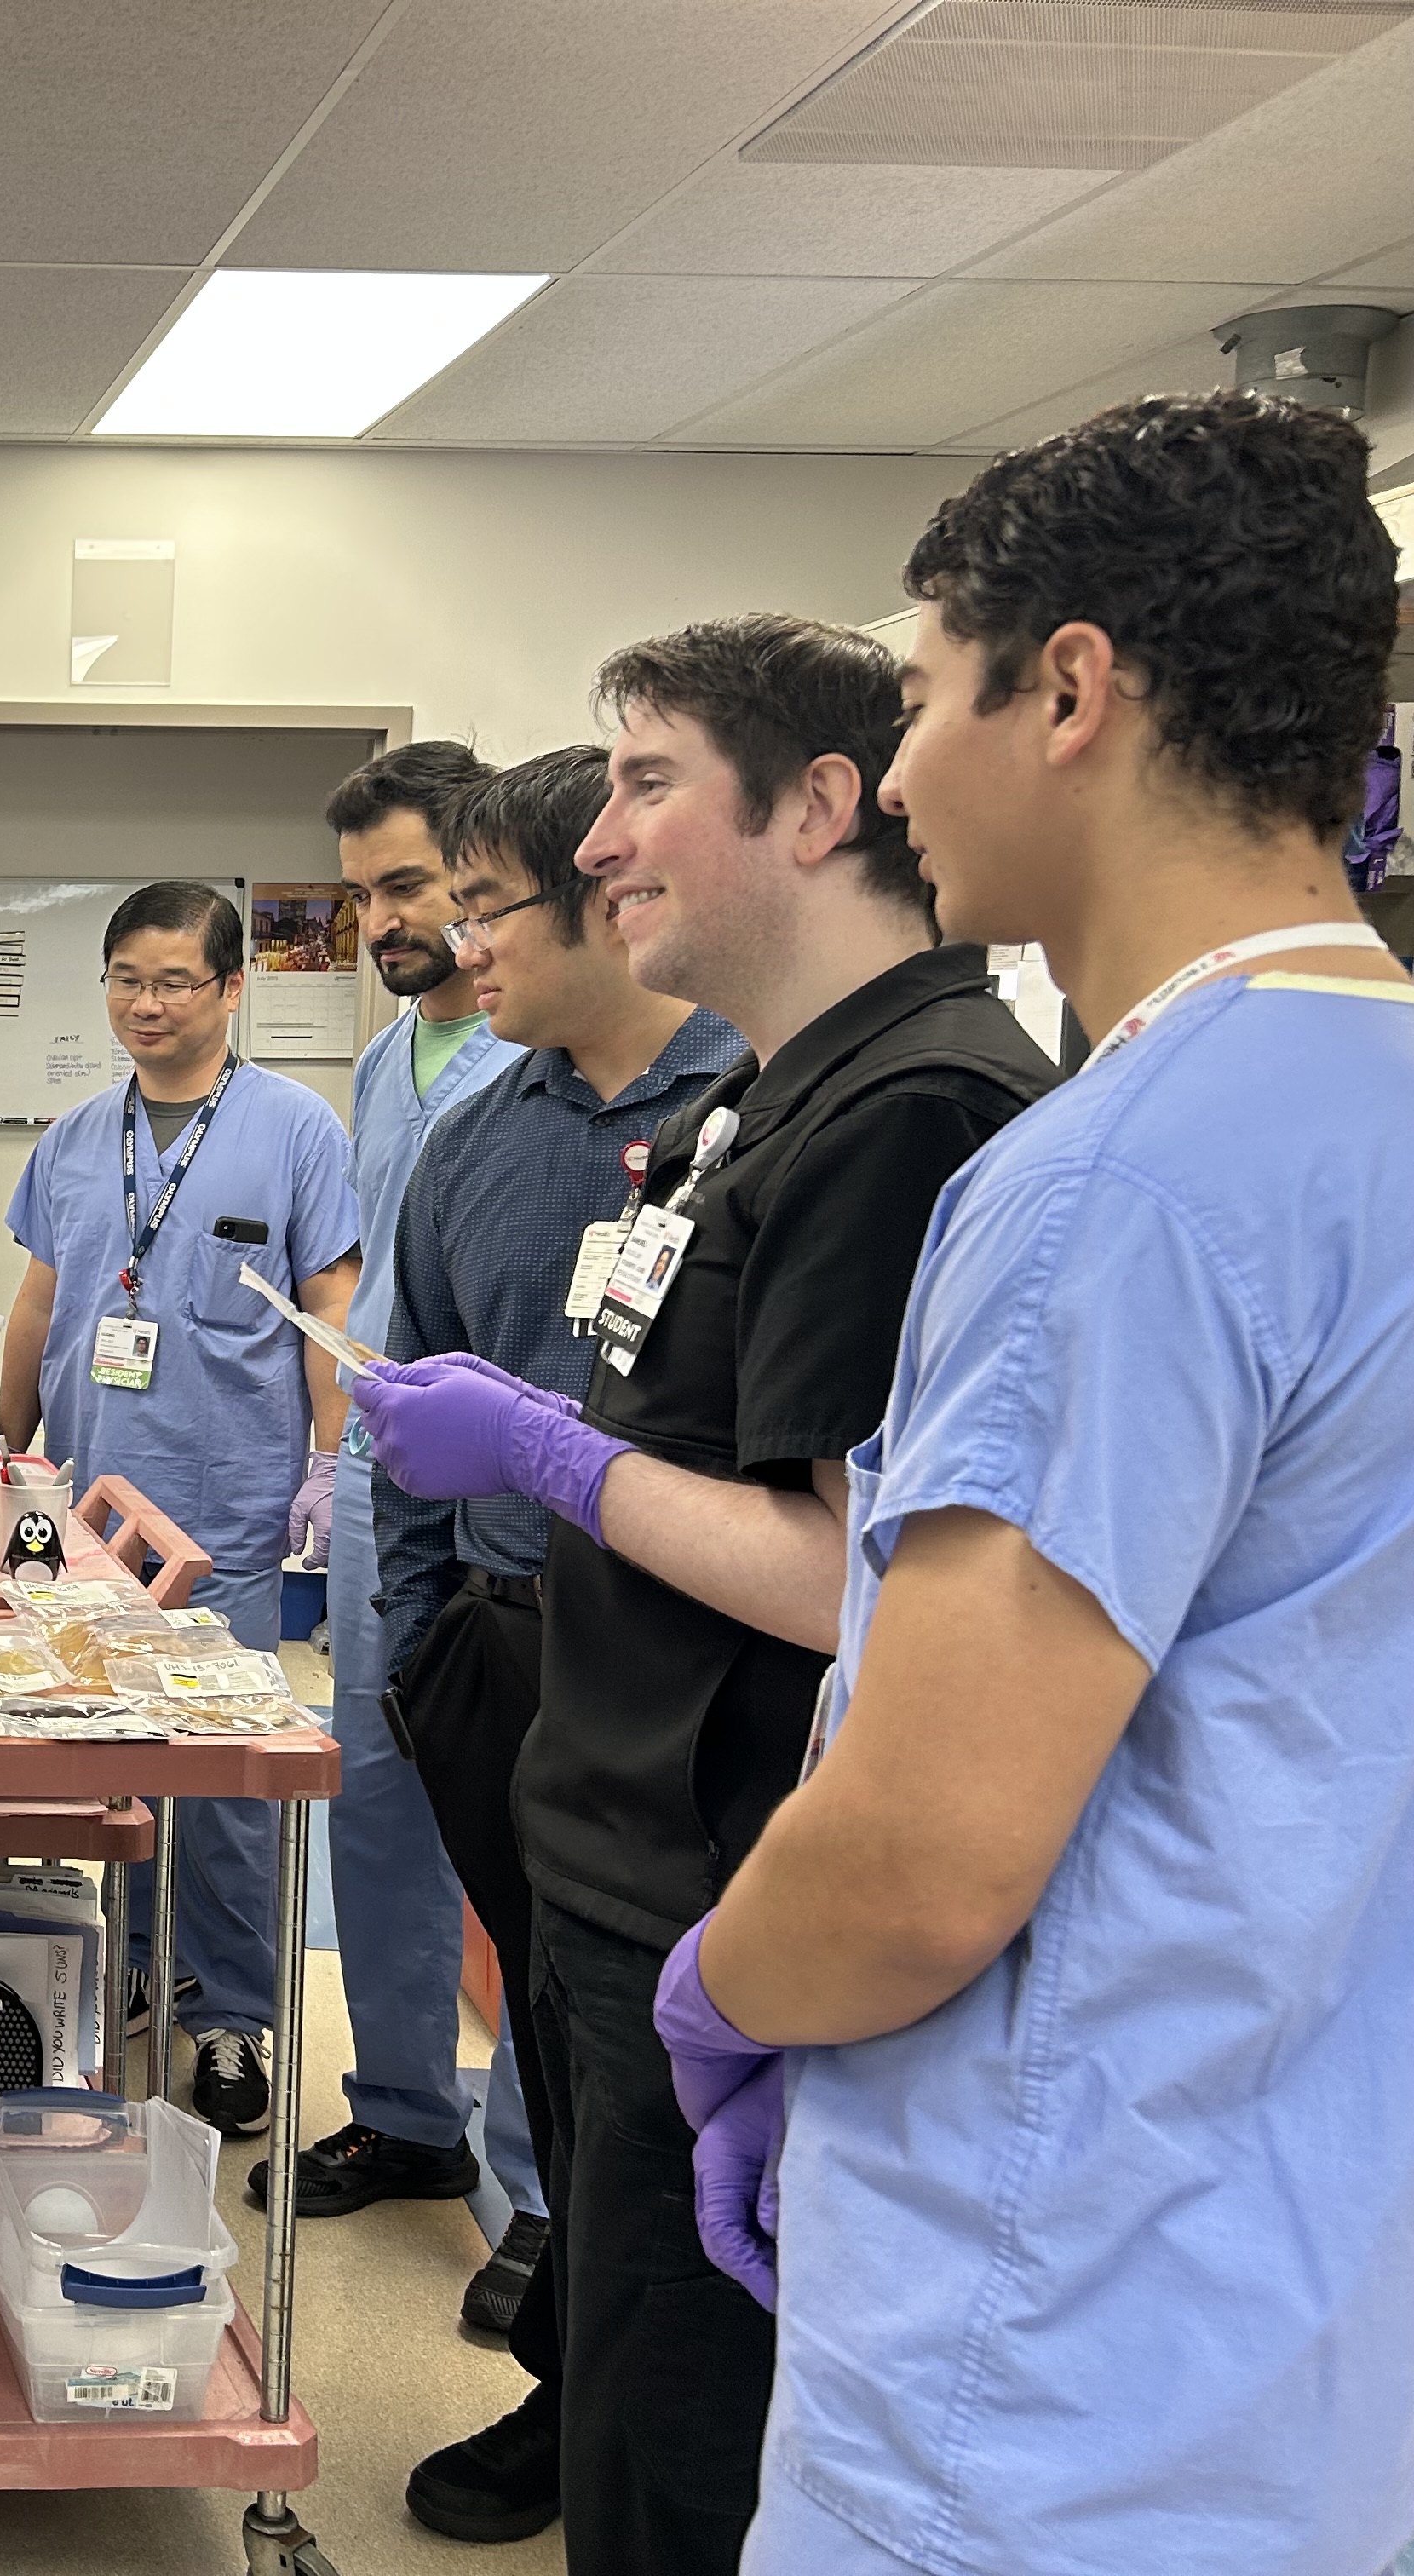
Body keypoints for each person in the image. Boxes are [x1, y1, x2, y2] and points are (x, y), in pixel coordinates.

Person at [666, 394, 1414, 2573]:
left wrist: (718, 1993)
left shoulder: (1112, 1182)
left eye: (914, 697)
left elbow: (915, 1865)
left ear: (1067, 689)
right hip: (1308, 2311)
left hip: (1054, 2359)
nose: (892, 775)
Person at [358, 614, 1055, 2572]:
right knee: (629, 2410)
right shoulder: (765, 1098)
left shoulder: (922, 1109)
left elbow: (864, 1579)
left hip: (718, 1892)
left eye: (648, 782)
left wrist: (558, 1459)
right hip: (619, 1854)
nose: (599, 846)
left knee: (686, 2454)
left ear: (822, 806)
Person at [364, 745, 744, 2545]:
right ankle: (564, 2390)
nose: (455, 941)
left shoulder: (749, 1117)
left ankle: (643, 2427)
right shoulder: (473, 1142)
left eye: (485, 904)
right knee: (551, 2055)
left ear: (613, 899)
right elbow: (403, 1421)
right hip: (508, 1656)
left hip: (692, 1686)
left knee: (662, 2087)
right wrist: (424, 1648)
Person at [0, 879, 361, 2136]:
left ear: (230, 988)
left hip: (230, 1511)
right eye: (126, 981)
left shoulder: (295, 1130)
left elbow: (330, 1314)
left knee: (219, 1784)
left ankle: (232, 2020)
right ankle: (138, 1971)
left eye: (173, 983)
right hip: (91, 1514)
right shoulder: (75, 1137)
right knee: (105, 1760)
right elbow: (41, 1305)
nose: (146, 1006)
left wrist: (331, 1459)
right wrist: (5, 1449)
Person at [294, 739, 544, 2317]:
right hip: (389, 1484)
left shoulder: (549, 1060)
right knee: (375, 1800)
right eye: (363, 891)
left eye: (411, 887)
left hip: (516, 1500)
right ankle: (405, 2116)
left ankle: (537, 2187)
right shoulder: (393, 1062)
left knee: (524, 1844)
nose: (383, 921)